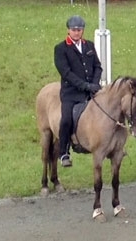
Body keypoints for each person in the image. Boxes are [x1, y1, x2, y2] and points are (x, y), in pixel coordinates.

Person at [54, 15, 103, 167]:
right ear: (69, 30)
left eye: (79, 30)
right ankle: (64, 152)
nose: (77, 32)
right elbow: (66, 73)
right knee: (67, 119)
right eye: (74, 30)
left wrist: (94, 84)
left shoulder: (89, 45)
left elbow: (97, 66)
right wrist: (85, 86)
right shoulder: (61, 49)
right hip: (71, 93)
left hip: (91, 90)